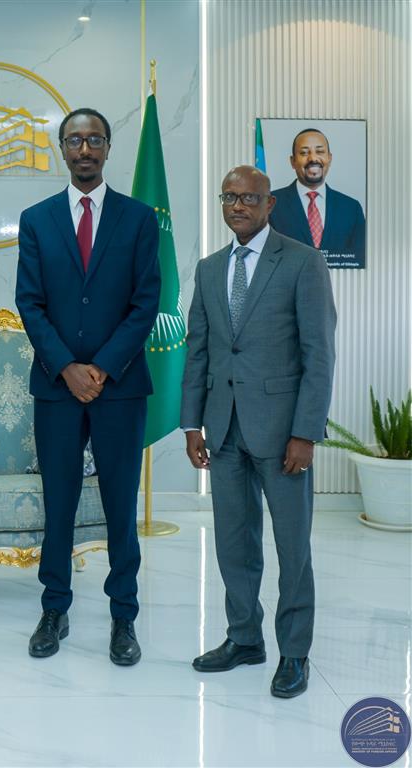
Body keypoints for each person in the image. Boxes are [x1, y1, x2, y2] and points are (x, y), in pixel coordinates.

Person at [181, 165, 336, 698]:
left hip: (282, 434)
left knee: (293, 548)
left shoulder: (303, 261)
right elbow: (198, 351)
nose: (238, 206)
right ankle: (245, 637)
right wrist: (192, 423)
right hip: (223, 430)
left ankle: (294, 652)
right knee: (233, 543)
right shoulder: (209, 269)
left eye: (249, 198)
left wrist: (306, 433)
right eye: (229, 198)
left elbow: (319, 355)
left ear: (270, 204)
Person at [15, 108, 160, 665]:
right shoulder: (37, 219)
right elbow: (30, 302)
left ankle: (124, 615)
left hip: (119, 387)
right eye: (74, 140)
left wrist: (100, 366)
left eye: (94, 139)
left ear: (107, 148)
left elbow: (145, 302)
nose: (84, 149)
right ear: (61, 148)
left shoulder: (138, 218)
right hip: (57, 388)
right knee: (60, 503)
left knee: (121, 505)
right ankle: (54, 608)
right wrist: (67, 367)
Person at [269, 128, 366, 265]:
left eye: (320, 151)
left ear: (329, 158)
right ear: (293, 161)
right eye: (304, 153)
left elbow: (359, 260)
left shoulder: (351, 208)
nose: (313, 158)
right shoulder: (270, 204)